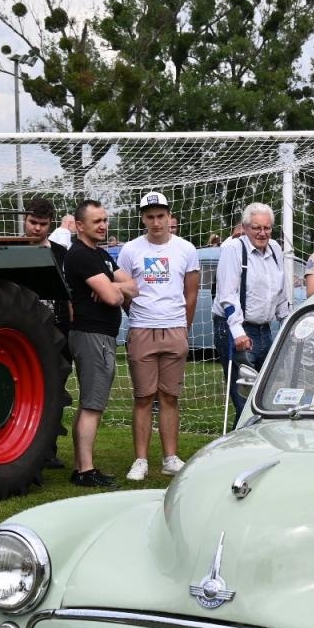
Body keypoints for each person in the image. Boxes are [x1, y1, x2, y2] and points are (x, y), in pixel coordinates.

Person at [117, 191, 200, 481]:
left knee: (169, 396)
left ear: (169, 216)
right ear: (143, 218)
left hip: (175, 330)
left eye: (160, 216)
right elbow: (124, 291)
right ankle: (140, 460)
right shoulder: (130, 250)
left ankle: (170, 458)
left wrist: (183, 327)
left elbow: (191, 293)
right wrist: (138, 317)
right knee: (143, 397)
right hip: (142, 329)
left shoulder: (186, 249)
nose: (156, 222)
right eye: (150, 217)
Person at [63, 199, 138, 487]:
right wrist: (114, 290)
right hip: (91, 335)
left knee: (90, 403)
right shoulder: (81, 255)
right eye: (97, 221)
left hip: (101, 335)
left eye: (105, 220)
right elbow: (112, 298)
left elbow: (133, 287)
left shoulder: (102, 255)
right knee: (93, 404)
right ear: (79, 226)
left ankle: (81, 467)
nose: (103, 225)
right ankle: (85, 470)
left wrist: (113, 285)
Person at [214, 202, 291, 418]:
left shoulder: (275, 249)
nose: (262, 233)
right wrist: (238, 332)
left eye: (267, 228)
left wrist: (287, 324)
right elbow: (227, 295)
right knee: (245, 403)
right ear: (245, 227)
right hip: (237, 329)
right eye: (256, 228)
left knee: (265, 399)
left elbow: (281, 293)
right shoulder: (234, 249)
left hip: (264, 330)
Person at [24, 197, 71, 470]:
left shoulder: (61, 253)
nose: (37, 228)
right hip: (24, 332)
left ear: (50, 224)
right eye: (33, 222)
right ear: (25, 220)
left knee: (55, 392)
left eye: (42, 224)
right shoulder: (11, 250)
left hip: (57, 331)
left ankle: (49, 450)